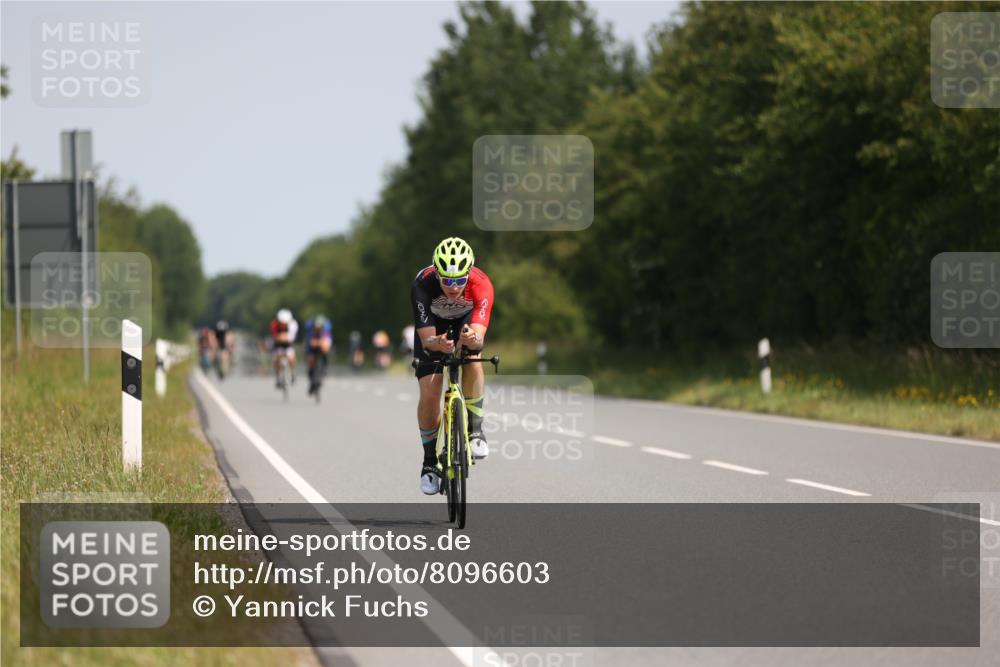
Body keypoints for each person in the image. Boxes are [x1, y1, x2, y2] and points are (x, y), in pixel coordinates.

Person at [411, 236, 494, 495]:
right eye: (446, 280)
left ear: (468, 274)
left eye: (459, 280)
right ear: (437, 273)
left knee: (473, 356)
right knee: (431, 390)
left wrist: (471, 338)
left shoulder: (481, 285)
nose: (453, 286)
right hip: (434, 331)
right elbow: (427, 340)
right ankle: (429, 463)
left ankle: (476, 431)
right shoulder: (422, 285)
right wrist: (438, 344)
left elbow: (479, 336)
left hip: (465, 323)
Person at [269, 308, 299, 387]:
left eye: (285, 323)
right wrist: (281, 338)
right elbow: (275, 337)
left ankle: (293, 373)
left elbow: (291, 338)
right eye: (281, 323)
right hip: (278, 344)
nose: (283, 325)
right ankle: (278, 377)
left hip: (288, 344)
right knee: (277, 358)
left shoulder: (293, 324)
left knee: (291, 358)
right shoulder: (274, 325)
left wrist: (284, 337)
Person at [304, 315, 333, 395]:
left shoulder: (326, 328)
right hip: (312, 344)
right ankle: (311, 380)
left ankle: (325, 366)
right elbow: (310, 342)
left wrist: (322, 344)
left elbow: (327, 341)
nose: (318, 329)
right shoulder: (310, 328)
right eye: (316, 327)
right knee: (311, 359)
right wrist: (314, 343)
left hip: (323, 340)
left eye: (319, 328)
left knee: (325, 348)